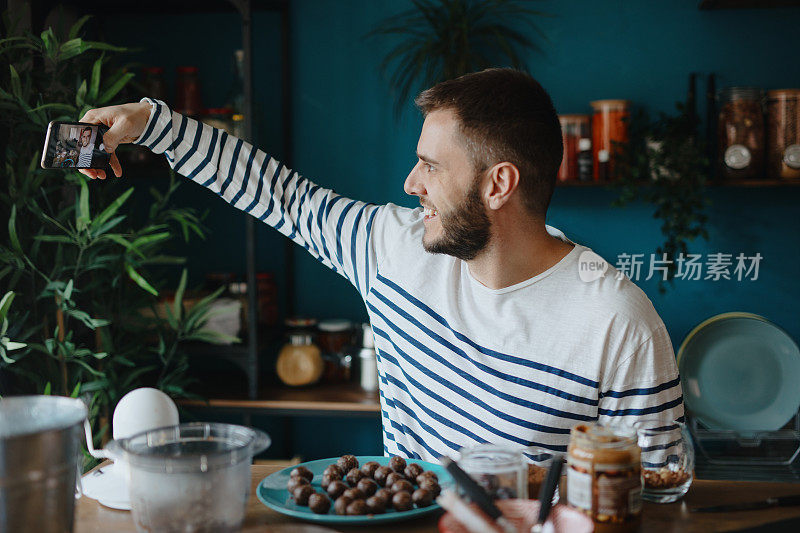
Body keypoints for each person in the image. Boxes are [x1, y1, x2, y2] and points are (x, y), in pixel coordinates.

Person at [79, 68, 683, 461]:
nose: (411, 182)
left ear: (499, 184)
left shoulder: (616, 322)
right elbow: (278, 194)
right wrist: (150, 124)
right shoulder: (396, 249)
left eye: (432, 165)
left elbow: (661, 498)